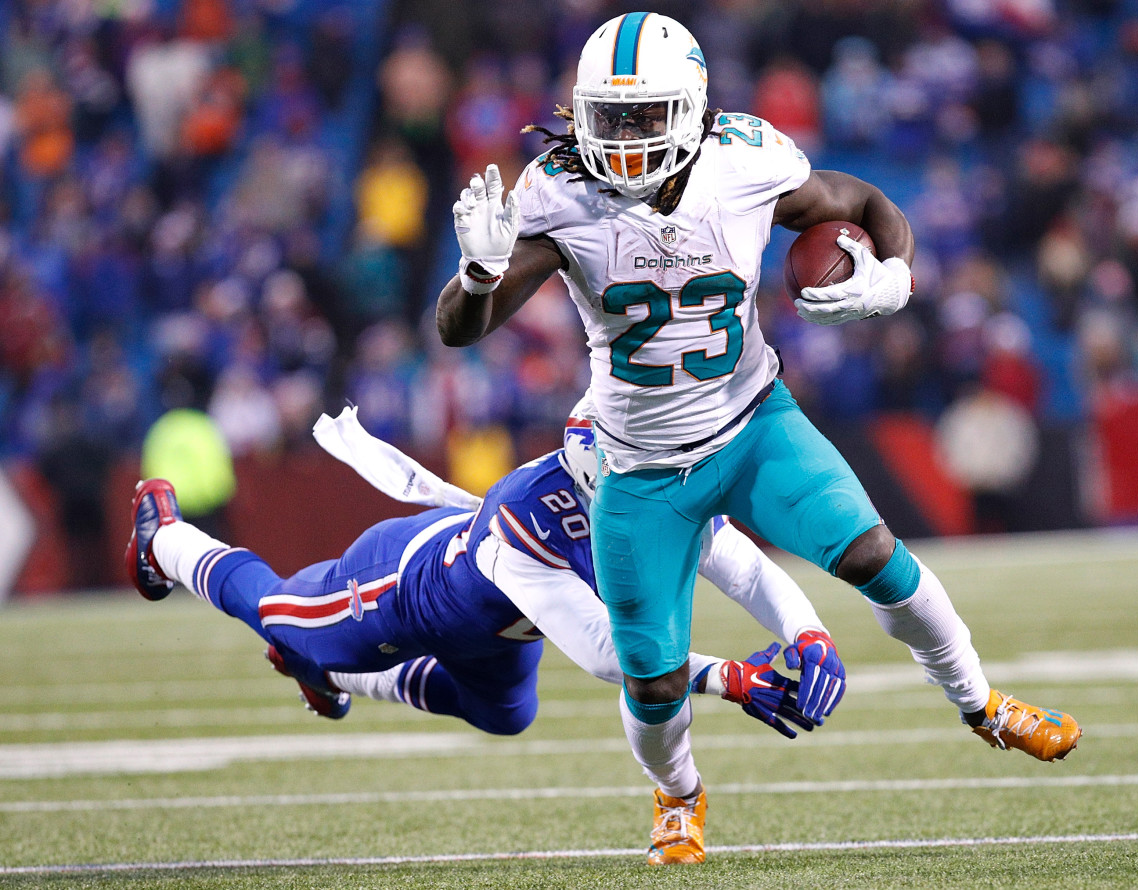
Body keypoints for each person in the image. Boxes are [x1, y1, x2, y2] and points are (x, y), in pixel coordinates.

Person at [435, 9, 1081, 866]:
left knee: (875, 556)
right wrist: (476, 276)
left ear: (695, 106)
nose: (623, 140)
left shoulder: (742, 161)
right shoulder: (559, 191)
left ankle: (981, 701)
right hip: (639, 467)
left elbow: (864, 201)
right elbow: (459, 329)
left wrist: (894, 273)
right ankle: (678, 795)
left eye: (644, 115)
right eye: (609, 116)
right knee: (652, 680)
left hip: (753, 423)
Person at [124, 397, 847, 864]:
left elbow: (744, 569)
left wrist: (808, 633)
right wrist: (732, 677)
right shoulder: (521, 524)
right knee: (284, 619)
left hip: (500, 632)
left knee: (507, 714)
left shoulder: (658, 482)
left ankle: (335, 677)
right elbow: (604, 650)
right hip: (403, 589)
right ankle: (166, 541)